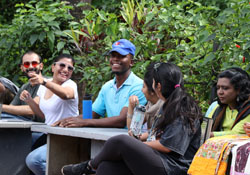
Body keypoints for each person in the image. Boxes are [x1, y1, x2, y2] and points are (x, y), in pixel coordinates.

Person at [61, 62, 202, 175]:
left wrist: (136, 145)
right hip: (162, 161)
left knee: (121, 141)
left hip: (173, 168)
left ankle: (88, 166)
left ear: (158, 86)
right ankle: (91, 167)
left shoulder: (183, 107)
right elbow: (159, 133)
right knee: (107, 167)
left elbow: (167, 146)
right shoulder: (169, 104)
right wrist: (139, 138)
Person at [53, 39, 147, 128]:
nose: (115, 59)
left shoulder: (139, 86)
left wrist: (84, 122)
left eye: (121, 56)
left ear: (131, 62)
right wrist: (67, 121)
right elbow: (92, 115)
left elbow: (122, 120)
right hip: (109, 138)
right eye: (113, 56)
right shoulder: (107, 87)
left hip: (131, 141)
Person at [20, 53, 79, 175]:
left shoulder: (70, 85)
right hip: (49, 134)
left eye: (70, 68)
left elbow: (66, 95)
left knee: (33, 160)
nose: (65, 70)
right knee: (16, 140)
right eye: (62, 65)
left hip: (66, 138)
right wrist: (29, 100)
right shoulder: (43, 87)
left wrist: (44, 82)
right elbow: (42, 115)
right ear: (53, 67)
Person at [207, 68, 250, 137]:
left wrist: (209, 135)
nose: (220, 92)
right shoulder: (218, 108)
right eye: (218, 88)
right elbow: (205, 127)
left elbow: (236, 133)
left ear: (238, 89)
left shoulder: (247, 109)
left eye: (225, 88)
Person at [1, 51, 44, 121]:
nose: (30, 67)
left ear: (41, 66)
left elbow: (31, 110)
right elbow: (11, 108)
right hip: (29, 127)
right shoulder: (24, 87)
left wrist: (1, 107)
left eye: (34, 63)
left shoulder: (47, 84)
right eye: (27, 64)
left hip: (45, 129)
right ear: (22, 68)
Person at [127, 62, 164, 140]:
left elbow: (156, 134)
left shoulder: (164, 107)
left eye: (144, 87)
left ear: (153, 90)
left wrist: (139, 137)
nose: (142, 90)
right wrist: (131, 106)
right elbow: (133, 130)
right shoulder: (150, 106)